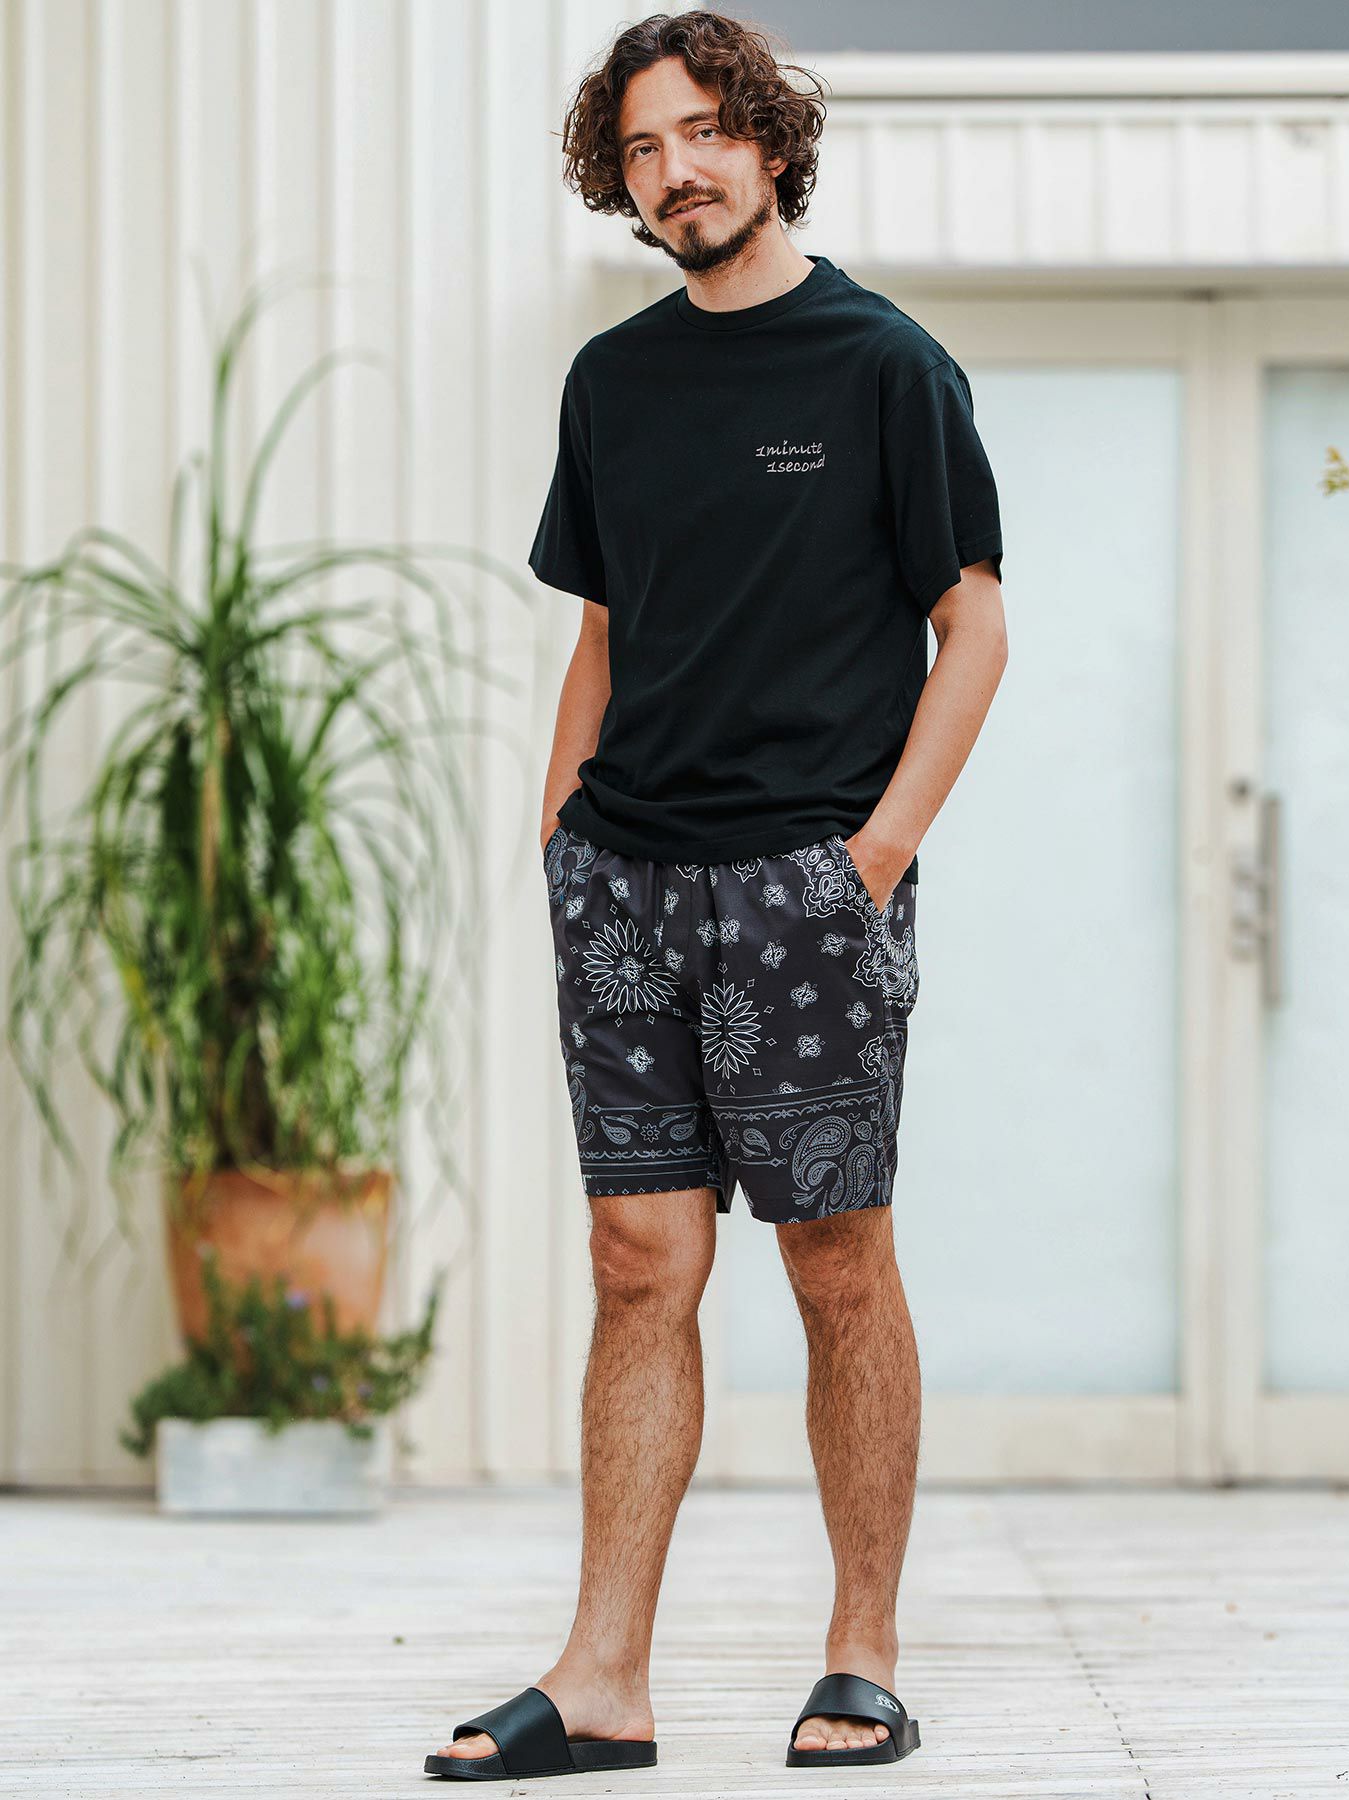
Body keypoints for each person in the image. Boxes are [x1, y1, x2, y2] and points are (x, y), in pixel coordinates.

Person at [425, 8, 1007, 1783]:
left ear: (768, 140)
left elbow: (973, 626)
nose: (673, 171)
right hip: (624, 883)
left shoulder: (885, 366)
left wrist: (872, 863)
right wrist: (559, 844)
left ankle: (864, 1656)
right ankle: (603, 1677)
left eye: (701, 132)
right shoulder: (613, 383)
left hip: (805, 885)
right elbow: (605, 632)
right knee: (636, 1268)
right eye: (641, 148)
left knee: (836, 1263)